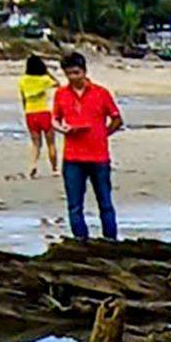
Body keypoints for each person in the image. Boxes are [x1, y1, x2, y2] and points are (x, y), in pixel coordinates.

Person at [51, 51, 121, 240]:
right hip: (73, 157)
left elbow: (116, 119)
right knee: (75, 206)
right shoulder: (61, 94)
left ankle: (111, 241)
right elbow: (55, 119)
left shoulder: (101, 93)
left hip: (98, 157)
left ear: (84, 71)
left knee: (105, 203)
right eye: (69, 74)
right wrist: (63, 129)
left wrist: (103, 134)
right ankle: (81, 242)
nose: (73, 78)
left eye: (76, 73)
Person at [19, 52, 57, 175]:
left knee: (36, 143)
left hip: (30, 113)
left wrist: (26, 110)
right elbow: (57, 83)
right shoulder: (44, 80)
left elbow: (23, 98)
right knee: (51, 143)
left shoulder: (23, 80)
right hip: (44, 112)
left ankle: (33, 164)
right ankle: (54, 169)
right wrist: (47, 72)